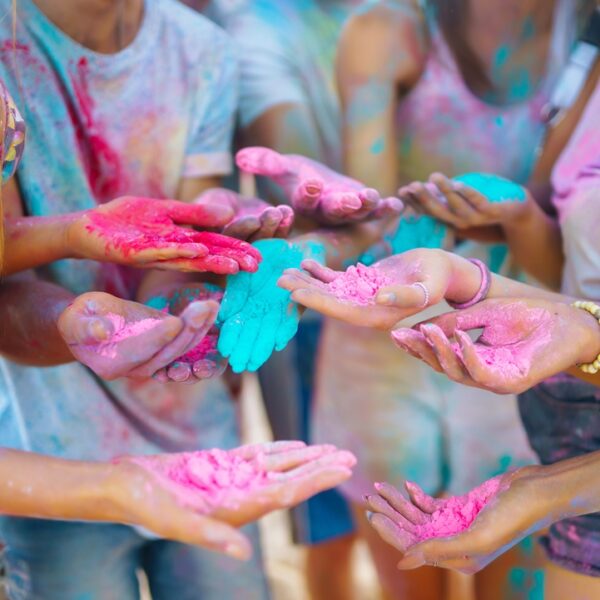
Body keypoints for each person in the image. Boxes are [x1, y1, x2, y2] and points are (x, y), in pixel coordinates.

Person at [297, 1, 583, 597]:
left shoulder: (584, 41)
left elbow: (564, 258)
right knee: (409, 580)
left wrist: (517, 220)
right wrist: (315, 227)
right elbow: (370, 223)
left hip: (519, 361)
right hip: (385, 359)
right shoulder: (387, 31)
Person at [0, 0, 274, 597]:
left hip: (196, 439)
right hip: (51, 455)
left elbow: (187, 240)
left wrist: (180, 313)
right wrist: (77, 323)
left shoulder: (202, 50)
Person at [221, 3, 365, 596]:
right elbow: (311, 180)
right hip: (307, 309)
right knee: (326, 515)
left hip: (416, 291)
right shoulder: (254, 28)